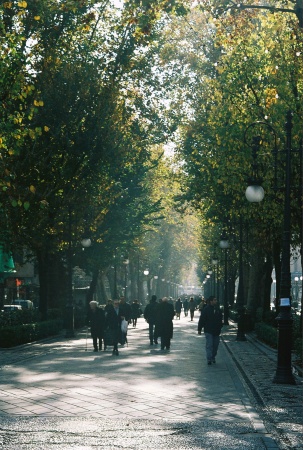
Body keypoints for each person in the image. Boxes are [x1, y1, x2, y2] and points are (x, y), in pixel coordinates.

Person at [198, 295, 223, 365]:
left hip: (216, 331)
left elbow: (221, 319)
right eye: (214, 300)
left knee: (215, 345)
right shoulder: (206, 309)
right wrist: (199, 329)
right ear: (211, 301)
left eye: (216, 300)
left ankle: (213, 357)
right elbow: (202, 319)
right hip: (208, 330)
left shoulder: (218, 309)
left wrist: (220, 326)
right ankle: (209, 358)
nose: (216, 301)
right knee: (209, 344)